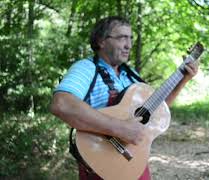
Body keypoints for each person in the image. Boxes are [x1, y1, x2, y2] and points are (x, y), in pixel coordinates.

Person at [50, 16, 198, 180]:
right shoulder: (86, 68)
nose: (128, 45)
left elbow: (156, 112)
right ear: (101, 41)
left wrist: (182, 80)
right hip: (101, 162)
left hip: (134, 160)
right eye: (121, 38)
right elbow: (61, 104)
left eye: (130, 38)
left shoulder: (130, 75)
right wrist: (120, 128)